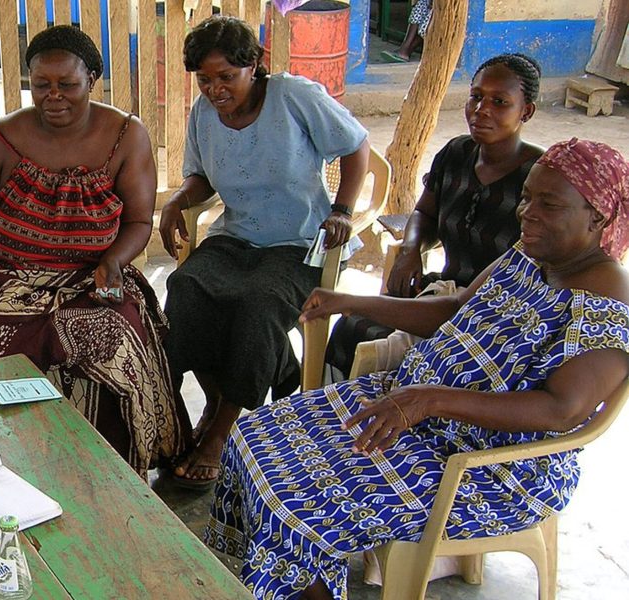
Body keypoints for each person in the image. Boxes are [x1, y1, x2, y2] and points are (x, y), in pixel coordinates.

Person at [205, 139, 629, 600]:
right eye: (527, 197)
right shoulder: (530, 255)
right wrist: (349, 301)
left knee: (297, 507)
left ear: (597, 216)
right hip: (416, 410)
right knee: (256, 434)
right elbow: (453, 310)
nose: (526, 212)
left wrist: (429, 400)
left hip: (490, 469)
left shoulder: (607, 303)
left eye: (548, 204)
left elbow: (561, 409)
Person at [0, 25, 189, 477]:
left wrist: (113, 261)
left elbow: (139, 221)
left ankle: (107, 478)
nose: (53, 96)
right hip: (4, 274)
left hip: (94, 275)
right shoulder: (1, 139)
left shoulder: (126, 136)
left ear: (92, 80)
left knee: (115, 348)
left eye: (68, 84)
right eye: (40, 85)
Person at [158, 15, 369, 488]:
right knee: (186, 287)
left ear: (254, 65)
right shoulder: (203, 114)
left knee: (260, 303)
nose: (214, 90)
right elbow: (203, 179)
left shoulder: (294, 97)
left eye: (226, 77)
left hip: (300, 241)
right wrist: (177, 199)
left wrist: (342, 210)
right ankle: (215, 402)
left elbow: (355, 146)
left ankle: (221, 431)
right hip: (238, 236)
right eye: (205, 79)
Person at [326, 53, 544, 380]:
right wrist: (410, 249)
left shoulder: (540, 177)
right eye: (476, 97)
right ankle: (332, 418)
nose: (482, 109)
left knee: (387, 349)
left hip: (493, 317)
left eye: (500, 101)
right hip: (441, 292)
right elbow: (424, 212)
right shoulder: (456, 154)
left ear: (526, 111)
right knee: (351, 326)